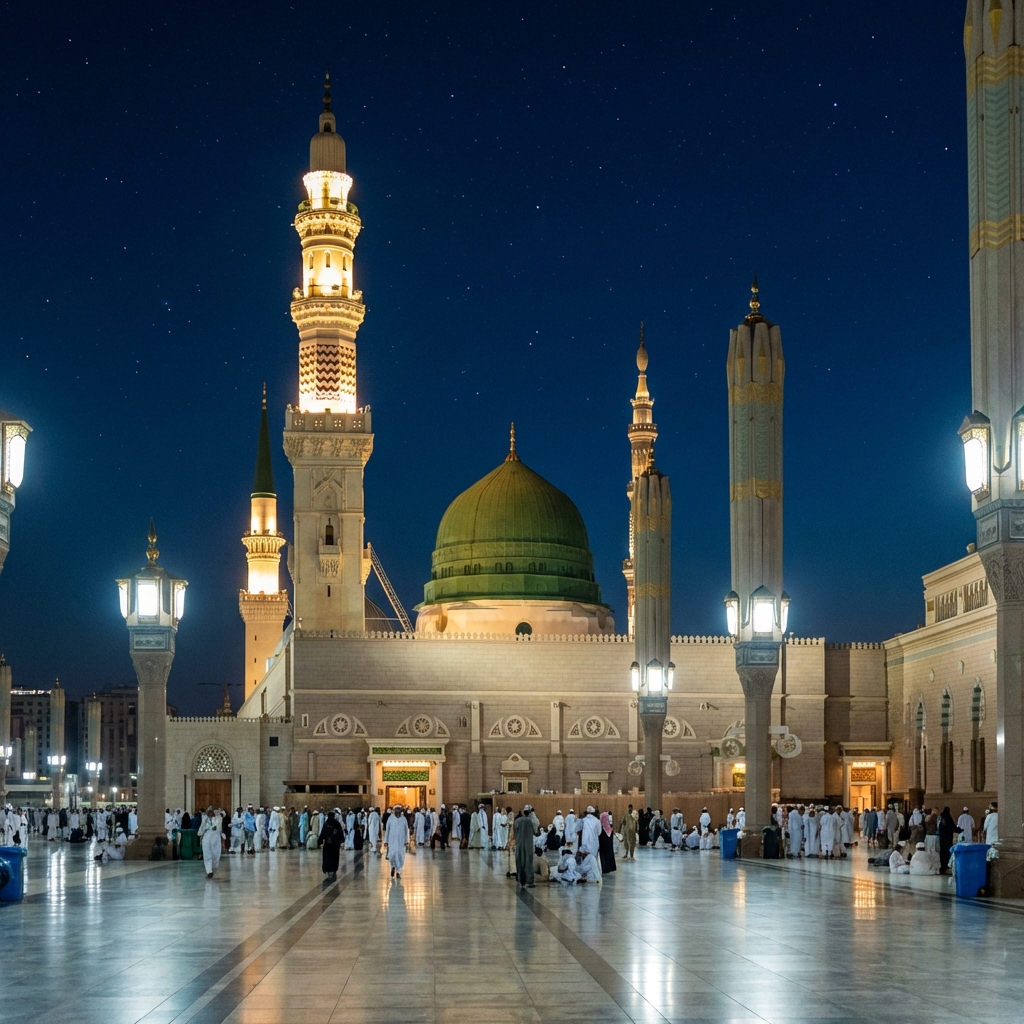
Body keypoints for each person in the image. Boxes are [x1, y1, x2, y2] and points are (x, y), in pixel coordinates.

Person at [514, 806, 537, 887]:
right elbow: (535, 832)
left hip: (519, 844)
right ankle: (529, 880)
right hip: (528, 844)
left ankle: (521, 879)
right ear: (530, 812)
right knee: (528, 861)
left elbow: (515, 832)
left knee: (520, 861)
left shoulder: (517, 821)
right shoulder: (531, 821)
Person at [385, 803, 410, 879]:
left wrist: (407, 840)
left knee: (400, 855)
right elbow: (387, 830)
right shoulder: (391, 818)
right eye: (396, 809)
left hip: (401, 841)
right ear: (394, 810)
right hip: (392, 840)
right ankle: (393, 866)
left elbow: (406, 830)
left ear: (401, 810)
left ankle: (398, 871)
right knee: (392, 854)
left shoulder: (403, 819)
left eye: (399, 809)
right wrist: (386, 841)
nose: (398, 810)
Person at [197, 807, 223, 879]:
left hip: (215, 837)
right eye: (209, 812)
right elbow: (202, 827)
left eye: (211, 812)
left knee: (215, 853)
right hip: (207, 837)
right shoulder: (205, 819)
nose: (210, 814)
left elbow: (219, 826)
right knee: (207, 854)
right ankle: (209, 871)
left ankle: (213, 866)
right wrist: (200, 834)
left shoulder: (218, 818)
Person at [318, 810, 344, 879]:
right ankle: (334, 869)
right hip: (335, 845)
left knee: (327, 858)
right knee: (334, 857)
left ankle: (328, 870)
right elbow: (340, 833)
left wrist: (320, 841)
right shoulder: (337, 823)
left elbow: (322, 833)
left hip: (328, 844)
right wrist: (341, 841)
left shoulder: (326, 824)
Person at [937, 807, 957, 873]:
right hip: (948, 838)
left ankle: (942, 867)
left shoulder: (940, 818)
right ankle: (946, 866)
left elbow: (938, 827)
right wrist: (959, 830)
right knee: (948, 852)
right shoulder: (948, 818)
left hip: (942, 838)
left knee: (942, 852)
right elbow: (952, 827)